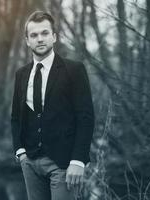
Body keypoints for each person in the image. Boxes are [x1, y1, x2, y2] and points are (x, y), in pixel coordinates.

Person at [10, 11, 95, 200]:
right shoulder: (21, 74)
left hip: (63, 163)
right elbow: (16, 117)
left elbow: (86, 117)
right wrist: (20, 152)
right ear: (27, 40)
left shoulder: (74, 70)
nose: (40, 39)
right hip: (30, 162)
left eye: (44, 33)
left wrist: (78, 160)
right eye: (34, 35)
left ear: (54, 37)